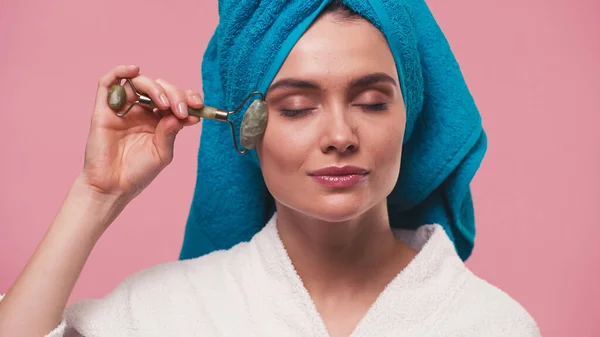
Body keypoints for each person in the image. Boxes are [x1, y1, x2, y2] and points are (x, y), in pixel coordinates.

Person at [0, 1, 541, 336]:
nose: (339, 136)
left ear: (410, 114)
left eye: (372, 102)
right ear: (244, 128)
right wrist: (96, 193)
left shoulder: (492, 324)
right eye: (296, 108)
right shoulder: (166, 313)